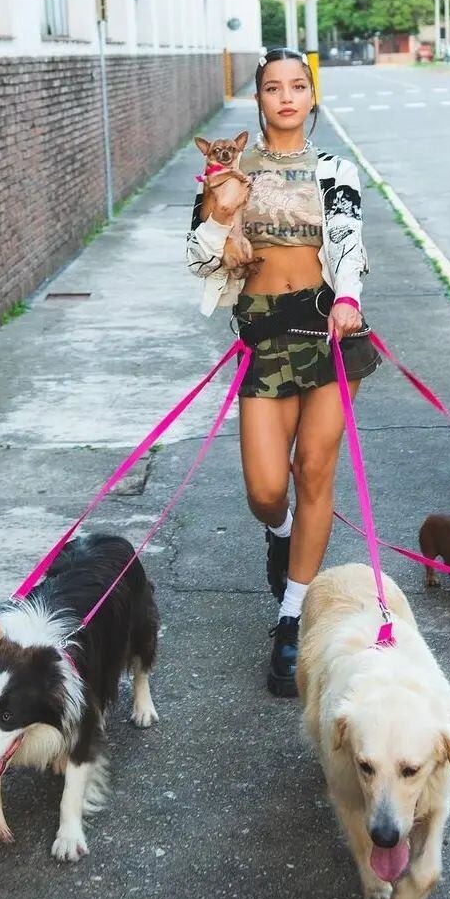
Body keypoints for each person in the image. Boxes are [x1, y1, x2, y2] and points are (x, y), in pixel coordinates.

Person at [185, 47, 378, 696]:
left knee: (314, 474)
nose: (287, 96)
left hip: (325, 334)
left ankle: (292, 619)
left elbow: (348, 237)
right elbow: (199, 260)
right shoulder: (232, 169)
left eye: (299, 86)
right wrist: (217, 212)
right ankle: (281, 533)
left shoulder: (332, 168)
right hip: (265, 341)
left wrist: (348, 297)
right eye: (274, 87)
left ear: (312, 97)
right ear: (259, 97)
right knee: (267, 489)